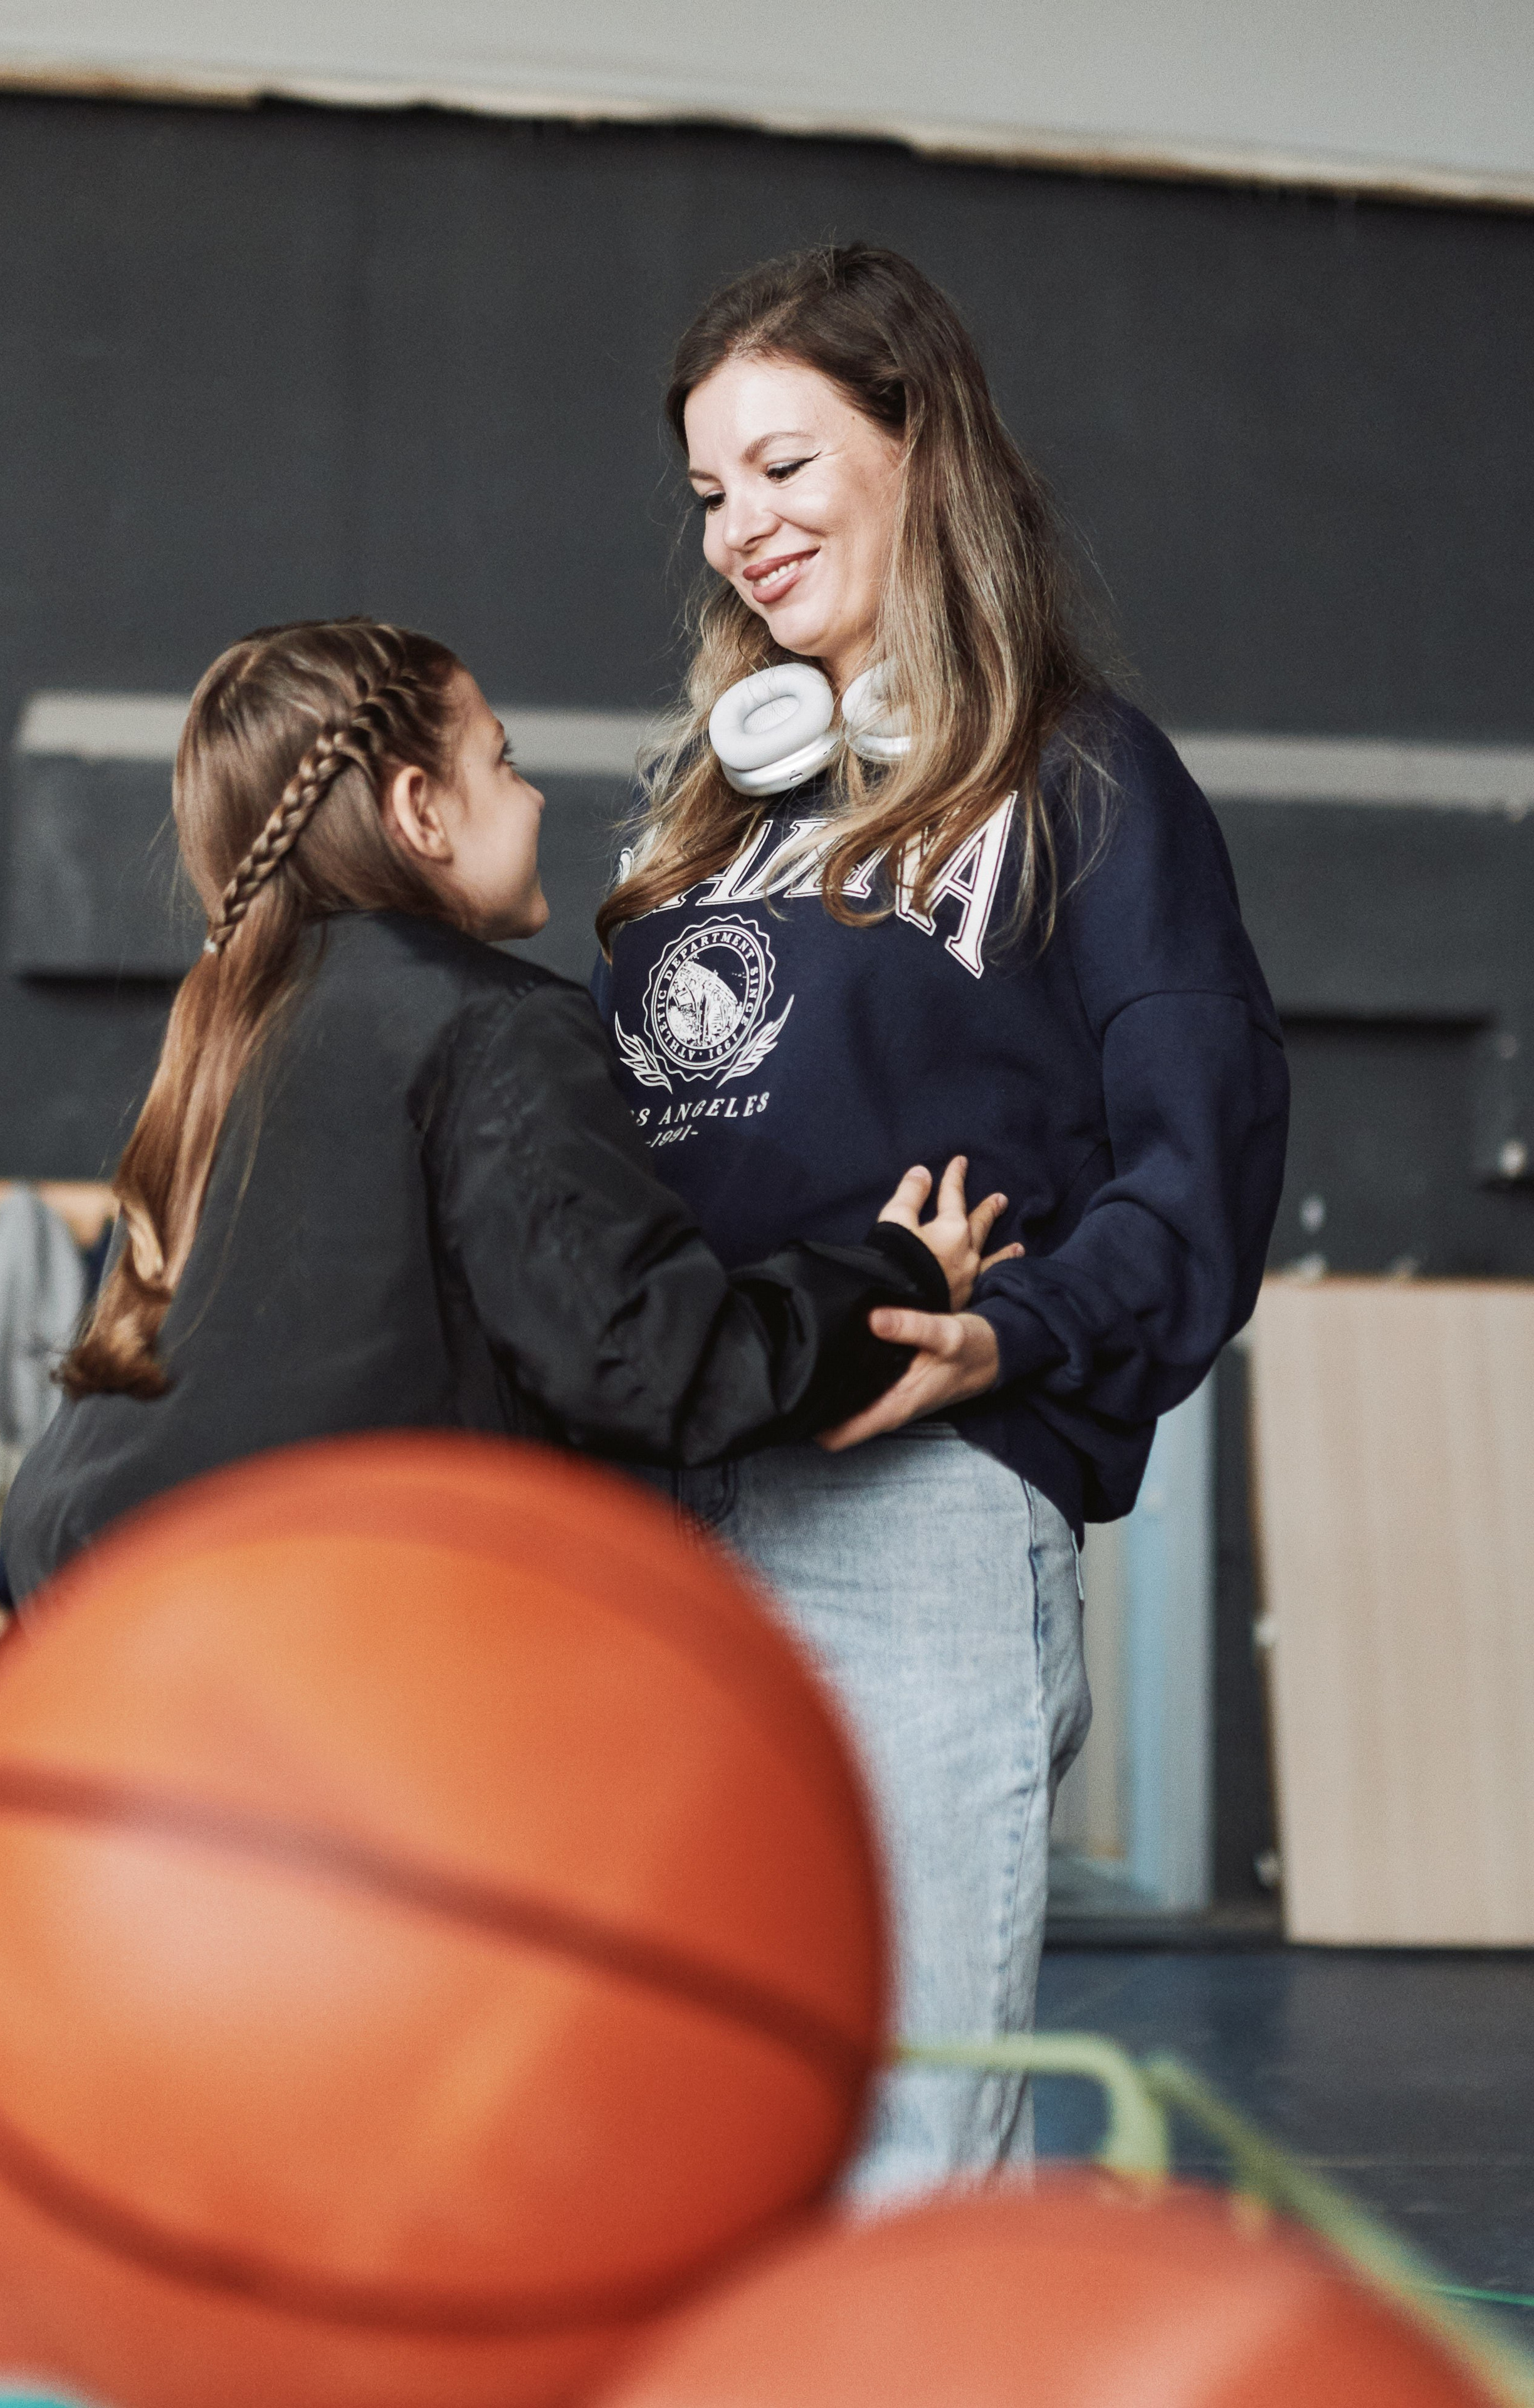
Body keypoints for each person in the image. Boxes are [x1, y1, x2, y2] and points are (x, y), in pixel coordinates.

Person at [592, 244, 1290, 2204]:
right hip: (665, 1511)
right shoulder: (703, 824)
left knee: (901, 2162)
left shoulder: (1083, 784)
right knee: (672, 2150)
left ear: (924, 451)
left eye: (791, 466)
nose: (746, 527)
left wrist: (1019, 1334)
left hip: (909, 1517)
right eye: (715, 490)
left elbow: (1202, 1152)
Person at [2, 616, 1004, 1602]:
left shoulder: (229, 1027)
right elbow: (648, 1367)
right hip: (304, 1637)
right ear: (420, 811)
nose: (527, 798)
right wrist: (899, 1278)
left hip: (103, 1618)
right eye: (501, 760)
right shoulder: (492, 1021)